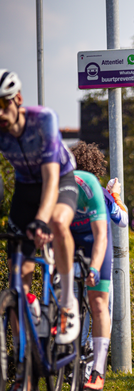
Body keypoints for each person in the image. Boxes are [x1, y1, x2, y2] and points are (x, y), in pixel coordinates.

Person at [0, 70, 79, 349]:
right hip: (25, 188)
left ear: (17, 99)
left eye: (2, 104)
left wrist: (40, 221)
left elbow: (51, 178)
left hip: (60, 180)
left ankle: (68, 303)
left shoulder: (43, 119)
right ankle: (24, 373)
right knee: (16, 284)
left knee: (57, 222)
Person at [70, 162, 119, 391]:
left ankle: (98, 370)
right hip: (68, 238)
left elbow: (102, 236)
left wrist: (95, 268)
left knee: (98, 303)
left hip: (94, 241)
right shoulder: (49, 188)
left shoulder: (91, 188)